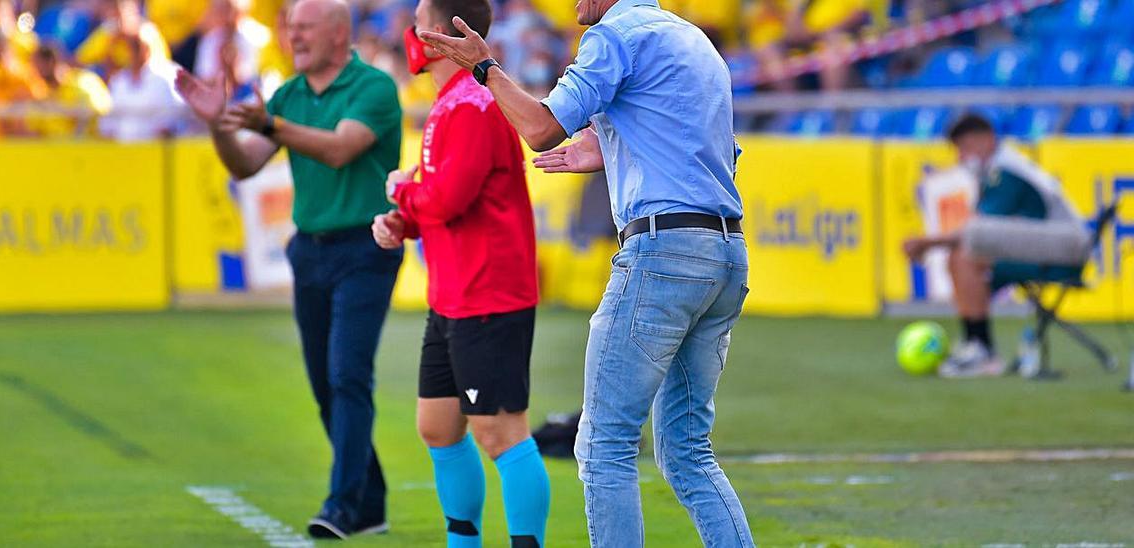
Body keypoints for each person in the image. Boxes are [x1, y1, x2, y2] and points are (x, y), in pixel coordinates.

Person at [420, 0, 754, 544]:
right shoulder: (694, 41)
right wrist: (611, 152)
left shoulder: (615, 34)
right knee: (690, 455)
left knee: (604, 447)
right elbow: (709, 152)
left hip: (661, 252)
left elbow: (540, 128)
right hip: (723, 250)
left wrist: (484, 68)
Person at [174, 0, 403, 539]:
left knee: (347, 375)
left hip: (366, 247)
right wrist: (218, 125)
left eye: (303, 27)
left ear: (338, 32)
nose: (292, 36)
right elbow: (245, 163)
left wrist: (271, 123)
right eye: (289, 27)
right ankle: (368, 499)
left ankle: (343, 504)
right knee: (327, 385)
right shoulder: (290, 94)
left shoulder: (372, 87)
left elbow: (342, 149)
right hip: (312, 250)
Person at [370, 0, 549, 546]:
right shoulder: (452, 102)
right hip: (453, 294)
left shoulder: (472, 103)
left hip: (488, 294)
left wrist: (402, 190)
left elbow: (448, 196)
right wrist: (405, 222)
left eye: (419, 16)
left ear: (443, 32)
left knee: (499, 432)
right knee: (438, 426)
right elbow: (446, 202)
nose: (409, 31)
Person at [904, 114, 1089, 378]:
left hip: (1064, 250)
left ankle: (982, 351)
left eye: (964, 148)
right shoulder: (999, 169)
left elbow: (977, 228)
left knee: (967, 255)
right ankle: (975, 344)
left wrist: (927, 243)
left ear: (987, 139)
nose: (961, 157)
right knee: (961, 254)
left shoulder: (1006, 171)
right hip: (1044, 247)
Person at [100, 37, 182, 142]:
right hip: (122, 151)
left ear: (147, 49)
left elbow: (167, 121)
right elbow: (109, 121)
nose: (133, 53)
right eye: (129, 48)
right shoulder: (118, 81)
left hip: (153, 150)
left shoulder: (162, 79)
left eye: (137, 47)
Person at [28, 44, 112, 138]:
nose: (35, 71)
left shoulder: (84, 82)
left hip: (87, 149)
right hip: (52, 151)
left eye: (37, 65)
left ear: (50, 62)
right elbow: (35, 130)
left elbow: (98, 114)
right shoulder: (41, 94)